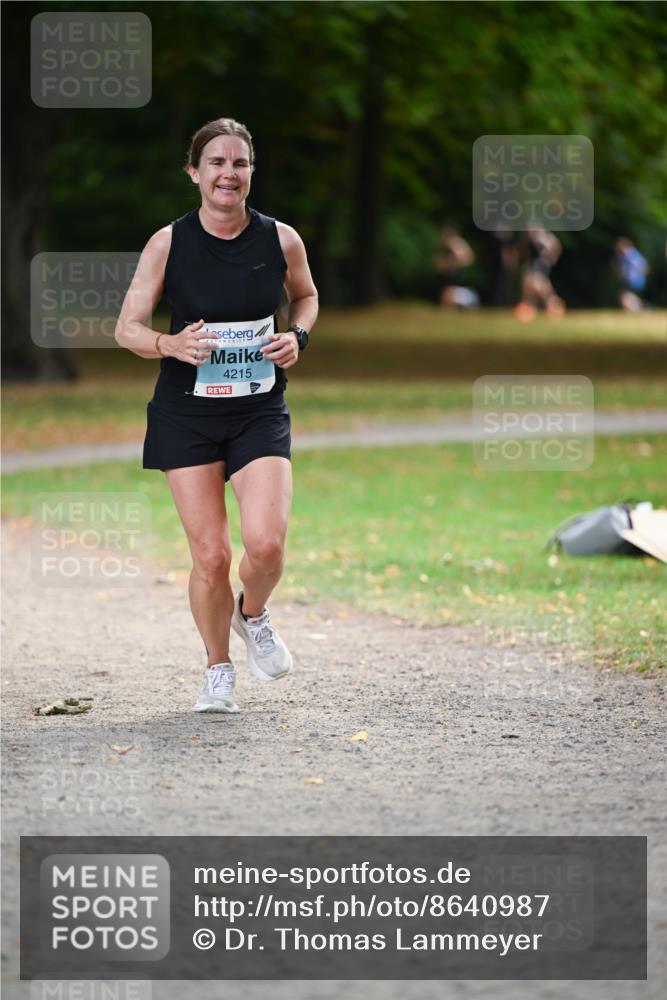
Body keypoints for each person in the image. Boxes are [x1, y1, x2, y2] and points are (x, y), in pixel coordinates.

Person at [114, 117, 318, 714]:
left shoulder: (281, 239)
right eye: (217, 163)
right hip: (186, 414)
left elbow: (304, 295)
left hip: (258, 410)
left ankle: (251, 614)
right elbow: (127, 327)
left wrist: (298, 336)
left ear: (251, 172)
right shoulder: (168, 243)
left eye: (240, 163)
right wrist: (167, 345)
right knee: (210, 556)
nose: (229, 174)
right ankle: (217, 669)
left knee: (267, 546)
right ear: (195, 172)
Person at [513, 223, 565, 321]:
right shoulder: (531, 240)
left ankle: (554, 307)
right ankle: (529, 309)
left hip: (541, 266)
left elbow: (556, 246)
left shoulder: (545, 238)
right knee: (530, 287)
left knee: (541, 287)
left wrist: (551, 257)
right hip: (533, 266)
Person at [434, 223, 479, 309]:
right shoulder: (446, 245)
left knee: (450, 290)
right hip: (449, 273)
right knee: (446, 290)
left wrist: (455, 262)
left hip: (455, 273)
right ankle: (447, 306)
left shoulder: (457, 244)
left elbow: (467, 258)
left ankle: (449, 306)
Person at [612, 236, 649, 311]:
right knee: (625, 298)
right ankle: (641, 307)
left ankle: (642, 307)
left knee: (624, 297)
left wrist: (635, 274)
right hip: (631, 281)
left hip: (635, 281)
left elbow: (643, 267)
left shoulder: (630, 255)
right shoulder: (625, 256)